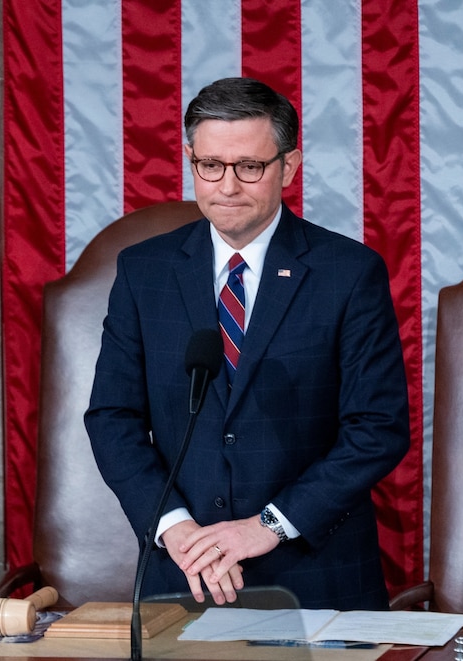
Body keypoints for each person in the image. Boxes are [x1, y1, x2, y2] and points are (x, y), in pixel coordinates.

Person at [84, 77, 409, 611]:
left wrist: (267, 526)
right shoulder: (145, 272)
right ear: (191, 160)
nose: (227, 186)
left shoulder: (347, 274)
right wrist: (177, 528)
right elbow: (111, 418)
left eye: (249, 167)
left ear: (289, 166)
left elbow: (378, 429)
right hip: (185, 574)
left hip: (315, 574)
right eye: (209, 165)